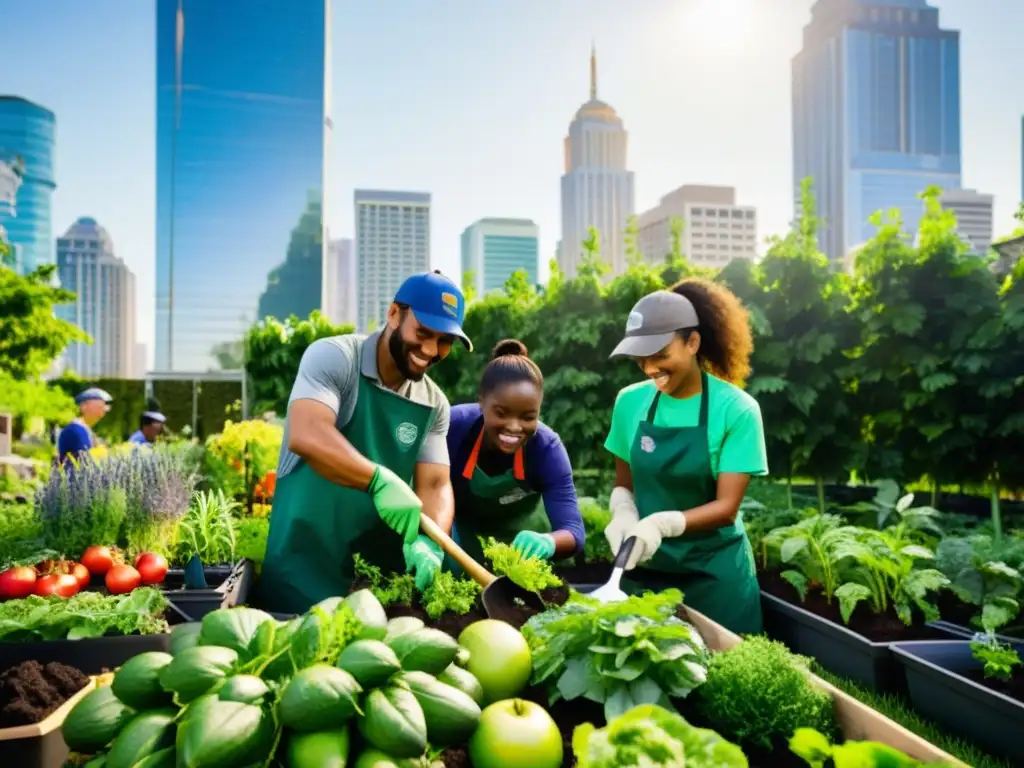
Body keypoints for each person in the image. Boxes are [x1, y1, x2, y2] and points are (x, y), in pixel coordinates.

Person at [260, 271, 471, 614]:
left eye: (445, 341)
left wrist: (429, 542)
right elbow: (308, 432)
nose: (431, 350)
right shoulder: (336, 358)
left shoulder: (435, 404)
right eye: (423, 332)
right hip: (304, 571)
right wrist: (376, 480)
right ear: (393, 315)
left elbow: (435, 484)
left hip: (377, 591)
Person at [603, 279, 768, 635]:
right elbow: (624, 484)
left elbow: (726, 508)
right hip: (645, 568)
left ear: (692, 343)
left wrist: (660, 525)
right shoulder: (629, 403)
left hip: (714, 575)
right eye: (641, 359)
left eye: (661, 355)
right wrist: (624, 512)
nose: (650, 368)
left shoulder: (736, 410)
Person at [446, 339, 585, 565]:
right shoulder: (455, 428)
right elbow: (426, 487)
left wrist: (548, 542)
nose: (514, 427)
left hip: (524, 551)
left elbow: (574, 531)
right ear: (481, 400)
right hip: (462, 543)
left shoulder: (546, 448)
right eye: (501, 413)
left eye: (528, 417)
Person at [57, 387, 112, 465]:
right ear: (83, 407)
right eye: (99, 407)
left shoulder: (84, 429)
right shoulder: (76, 430)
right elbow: (85, 459)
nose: (102, 411)